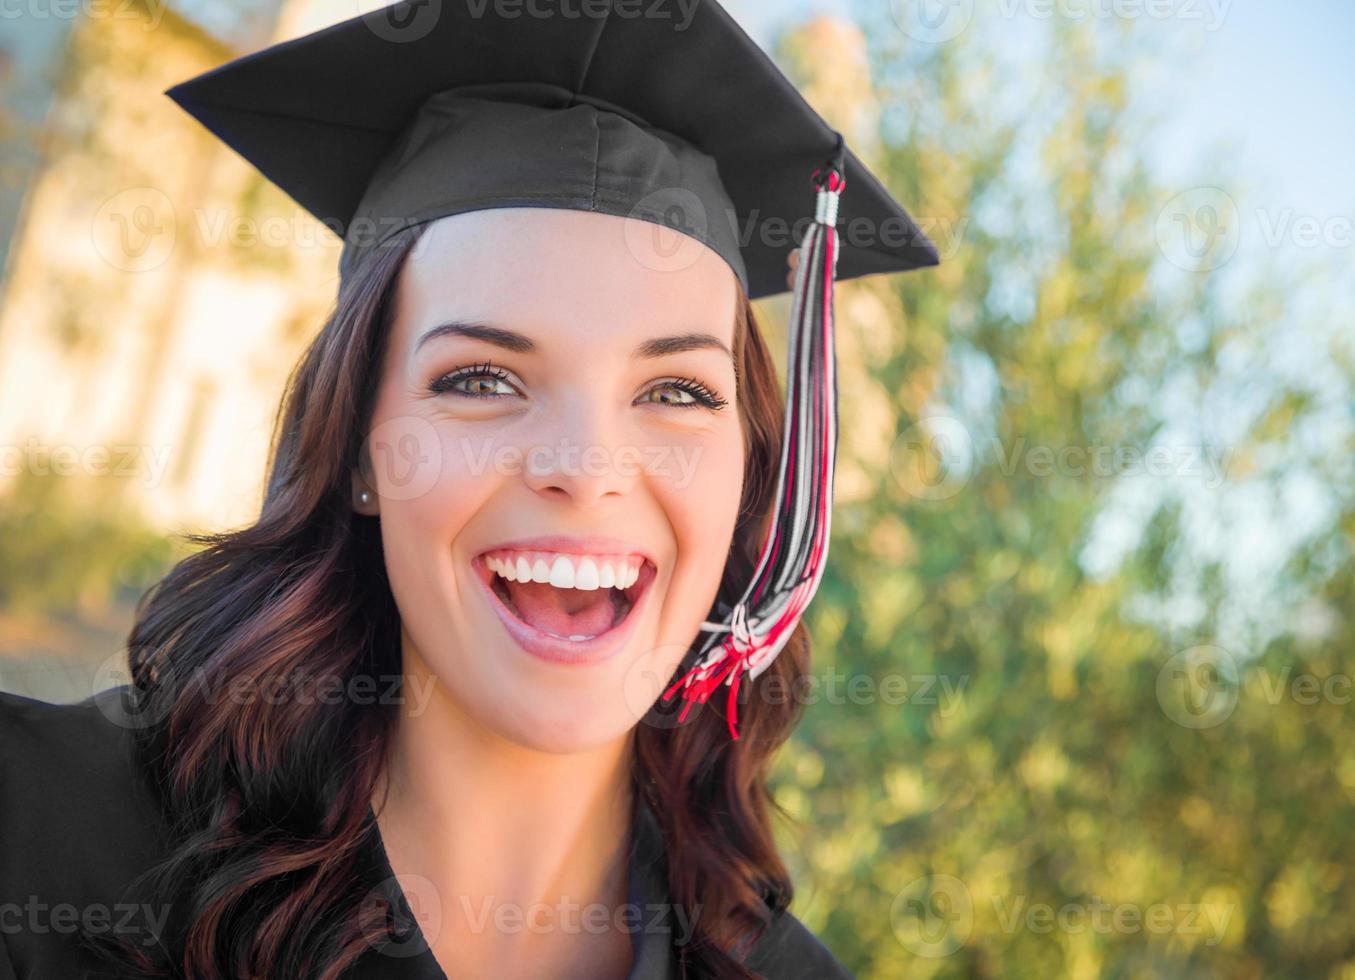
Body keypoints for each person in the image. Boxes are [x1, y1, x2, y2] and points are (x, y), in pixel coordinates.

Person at [0, 1, 938, 977]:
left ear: (749, 470)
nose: (585, 465)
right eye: (481, 379)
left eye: (674, 390)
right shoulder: (37, 837)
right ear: (359, 445)